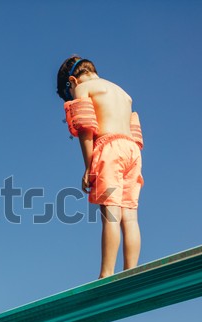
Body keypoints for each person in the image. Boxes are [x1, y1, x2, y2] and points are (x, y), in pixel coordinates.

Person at [57, 56, 144, 278]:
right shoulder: (124, 94)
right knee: (131, 218)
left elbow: (85, 126)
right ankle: (131, 271)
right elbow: (134, 126)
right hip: (132, 151)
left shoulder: (84, 88)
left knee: (111, 216)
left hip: (109, 148)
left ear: (73, 81)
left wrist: (89, 166)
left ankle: (106, 274)